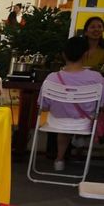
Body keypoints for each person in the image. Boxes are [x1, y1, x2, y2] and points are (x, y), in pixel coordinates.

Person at [37, 35, 104, 171]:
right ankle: (79, 141)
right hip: (84, 124)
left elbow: (43, 106)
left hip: (56, 123)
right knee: (83, 117)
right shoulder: (97, 78)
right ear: (85, 54)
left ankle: (59, 159)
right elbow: (101, 105)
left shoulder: (51, 78)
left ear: (63, 55)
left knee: (64, 123)